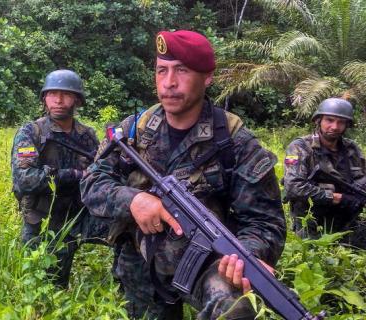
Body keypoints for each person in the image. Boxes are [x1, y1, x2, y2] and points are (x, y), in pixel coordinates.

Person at [80, 30, 286, 319]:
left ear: (207, 76)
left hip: (210, 263)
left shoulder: (234, 142)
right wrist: (134, 200)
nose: (169, 83)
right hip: (141, 265)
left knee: (235, 308)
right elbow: (91, 181)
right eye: (161, 70)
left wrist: (249, 254)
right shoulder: (134, 129)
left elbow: (266, 223)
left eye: (182, 70)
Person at [11, 69, 99, 288]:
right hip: (41, 221)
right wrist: (73, 175)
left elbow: (101, 174)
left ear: (77, 100)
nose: (58, 100)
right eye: (52, 94)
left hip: (76, 217)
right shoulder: (32, 133)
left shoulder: (87, 136)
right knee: (40, 287)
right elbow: (25, 179)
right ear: (44, 98)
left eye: (65, 94)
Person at [283, 98, 366, 248]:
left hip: (346, 221)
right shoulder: (300, 147)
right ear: (318, 120)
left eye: (341, 122)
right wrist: (337, 197)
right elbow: (293, 187)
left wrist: (356, 198)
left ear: (347, 125)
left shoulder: (351, 149)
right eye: (329, 120)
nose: (334, 126)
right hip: (311, 223)